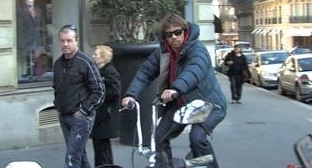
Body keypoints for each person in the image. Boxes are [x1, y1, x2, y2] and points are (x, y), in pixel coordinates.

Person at [121, 13, 227, 168]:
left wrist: (175, 89)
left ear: (185, 31)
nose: (174, 37)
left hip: (207, 104)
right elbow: (144, 73)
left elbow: (193, 71)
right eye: (169, 35)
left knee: (197, 138)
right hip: (180, 105)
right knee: (159, 137)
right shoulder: (163, 53)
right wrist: (131, 95)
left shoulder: (198, 50)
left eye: (177, 32)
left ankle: (208, 164)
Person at [53, 24, 105, 168]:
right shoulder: (58, 64)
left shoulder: (86, 62)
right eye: (62, 41)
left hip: (81, 118)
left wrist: (83, 112)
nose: (65, 44)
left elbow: (99, 91)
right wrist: (58, 106)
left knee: (72, 157)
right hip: (64, 115)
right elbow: (56, 87)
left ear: (76, 41)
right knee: (80, 156)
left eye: (69, 40)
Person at [90, 45, 121, 167]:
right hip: (99, 116)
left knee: (103, 150)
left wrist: (97, 94)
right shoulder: (98, 72)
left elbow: (115, 92)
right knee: (99, 148)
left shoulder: (109, 72)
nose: (93, 56)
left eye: (96, 54)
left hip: (105, 117)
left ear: (103, 58)